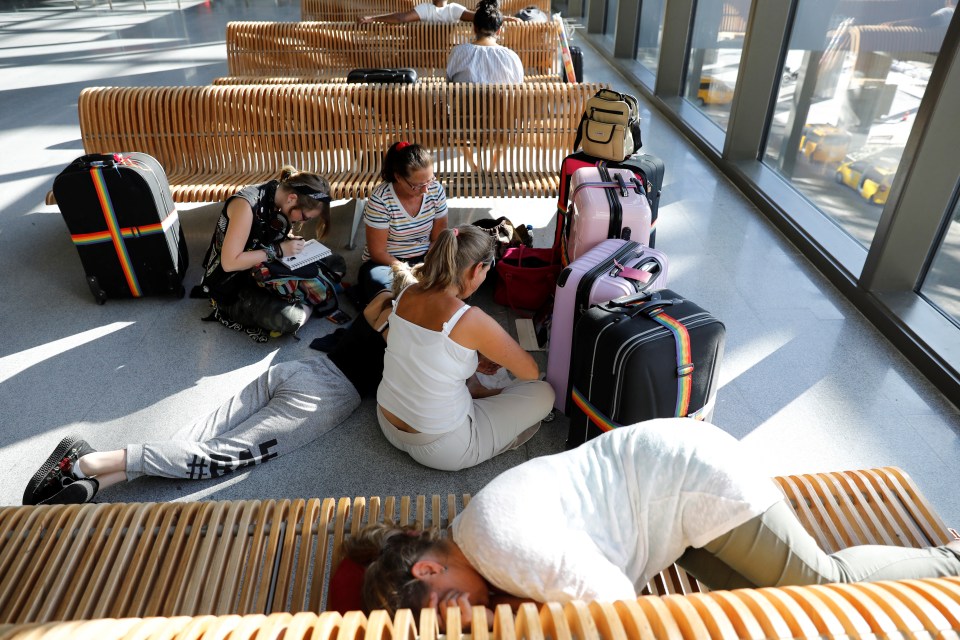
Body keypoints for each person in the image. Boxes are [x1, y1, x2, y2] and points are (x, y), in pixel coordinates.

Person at [350, 419, 960, 624]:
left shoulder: (498, 547)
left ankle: (951, 564)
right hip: (662, 506)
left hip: (693, 482)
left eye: (444, 608)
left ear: (429, 568)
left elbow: (621, 608)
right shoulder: (479, 541)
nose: (464, 617)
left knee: (826, 590)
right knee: (779, 604)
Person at [22, 265, 419, 506]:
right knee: (220, 456)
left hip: (302, 369)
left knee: (199, 435)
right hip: (323, 399)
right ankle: (85, 462)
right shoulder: (411, 336)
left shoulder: (384, 298)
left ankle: (98, 482)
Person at [376, 224, 555, 471]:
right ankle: (477, 405)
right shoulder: (470, 318)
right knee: (543, 392)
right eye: (486, 271)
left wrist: (473, 354)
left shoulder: (407, 291)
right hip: (443, 448)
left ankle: (474, 392)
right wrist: (488, 346)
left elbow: (419, 347)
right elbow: (530, 372)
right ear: (476, 269)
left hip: (387, 421)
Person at [197, 166, 334, 342]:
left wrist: (290, 242)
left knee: (334, 262)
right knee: (291, 319)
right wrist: (279, 250)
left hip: (263, 272)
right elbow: (230, 262)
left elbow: (264, 235)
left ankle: (309, 296)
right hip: (233, 286)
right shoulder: (246, 206)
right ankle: (313, 297)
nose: (303, 221)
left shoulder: (278, 198)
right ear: (292, 198)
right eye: (305, 217)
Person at [357, 141, 448, 304]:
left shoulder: (435, 189)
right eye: (417, 185)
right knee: (384, 288)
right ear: (398, 177)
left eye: (430, 180)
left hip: (425, 255)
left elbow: (437, 237)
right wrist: (405, 270)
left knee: (460, 272)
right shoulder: (381, 200)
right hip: (389, 261)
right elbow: (378, 252)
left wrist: (429, 262)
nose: (426, 190)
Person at [446, 0, 524, 84]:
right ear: (498, 31)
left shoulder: (457, 53)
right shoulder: (512, 57)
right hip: (500, 97)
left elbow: (449, 84)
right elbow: (518, 88)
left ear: (474, 28)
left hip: (466, 97)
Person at [358, 0, 521, 25]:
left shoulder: (425, 9)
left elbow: (402, 18)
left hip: (423, 59)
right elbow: (479, 17)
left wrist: (373, 18)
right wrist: (504, 18)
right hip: (447, 56)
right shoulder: (454, 9)